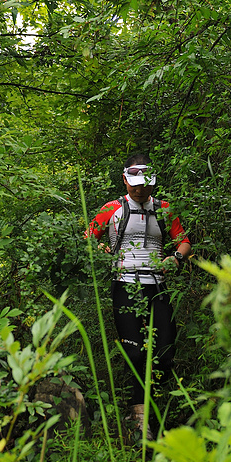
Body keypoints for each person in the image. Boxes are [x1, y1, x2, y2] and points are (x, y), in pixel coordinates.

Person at [85, 151, 191, 437]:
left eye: (144, 184)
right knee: (133, 351)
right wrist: (101, 249)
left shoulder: (165, 209)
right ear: (125, 180)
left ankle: (152, 403)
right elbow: (88, 235)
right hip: (124, 284)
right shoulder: (112, 209)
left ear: (152, 183)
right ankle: (139, 418)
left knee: (165, 350)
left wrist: (176, 259)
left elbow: (183, 241)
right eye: (134, 184)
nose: (139, 190)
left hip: (157, 286)